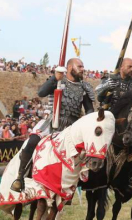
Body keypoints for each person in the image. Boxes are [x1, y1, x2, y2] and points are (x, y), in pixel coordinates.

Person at [10, 58, 95, 192]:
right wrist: (55, 78)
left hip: (71, 127)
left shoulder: (84, 88)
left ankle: (76, 183)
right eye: (80, 66)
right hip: (51, 121)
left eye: (83, 66)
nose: (83, 69)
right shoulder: (58, 80)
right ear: (70, 67)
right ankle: (20, 178)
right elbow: (41, 93)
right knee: (32, 142)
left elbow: (89, 109)